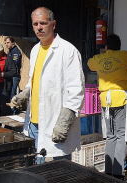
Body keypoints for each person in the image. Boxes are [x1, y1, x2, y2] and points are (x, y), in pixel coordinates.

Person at [11, 7, 84, 163]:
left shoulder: (68, 51)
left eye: (43, 23)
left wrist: (64, 122)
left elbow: (76, 90)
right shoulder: (35, 50)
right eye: (35, 23)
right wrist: (26, 93)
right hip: (34, 123)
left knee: (59, 170)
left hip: (56, 123)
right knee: (37, 170)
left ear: (53, 24)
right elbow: (34, 80)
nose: (39, 27)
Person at [87, 34, 127, 178]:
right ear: (119, 46)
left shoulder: (99, 58)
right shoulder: (125, 55)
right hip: (122, 98)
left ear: (106, 47)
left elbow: (89, 63)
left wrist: (104, 56)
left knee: (111, 136)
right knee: (121, 136)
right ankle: (117, 174)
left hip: (105, 100)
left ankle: (109, 171)